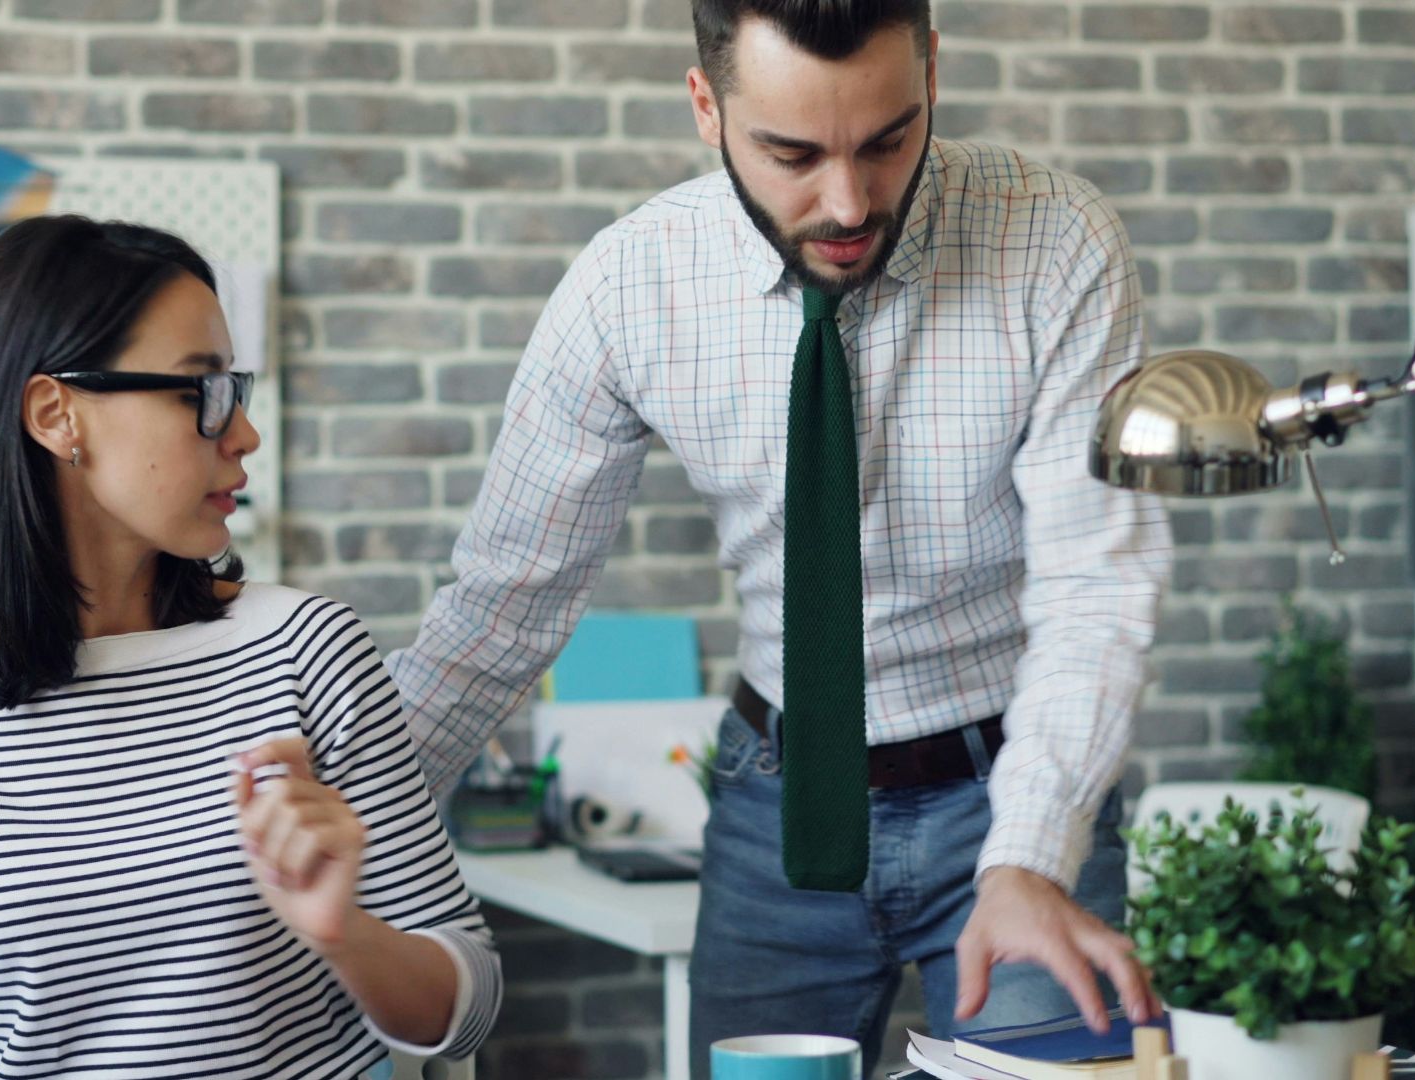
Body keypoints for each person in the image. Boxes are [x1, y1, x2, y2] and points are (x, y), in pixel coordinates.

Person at [385, 1, 1172, 1075]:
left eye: (889, 139)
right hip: (777, 802)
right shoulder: (630, 287)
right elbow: (501, 607)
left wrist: (1031, 857)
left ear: (932, 70)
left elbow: (1095, 584)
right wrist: (352, 827)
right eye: (792, 153)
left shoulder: (1055, 240)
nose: (847, 201)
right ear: (707, 107)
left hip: (1016, 788)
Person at [0, 215, 500, 1079]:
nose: (244, 433)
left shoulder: (304, 649)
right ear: (55, 413)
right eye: (201, 391)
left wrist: (345, 935)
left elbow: (469, 1004)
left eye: (236, 387)